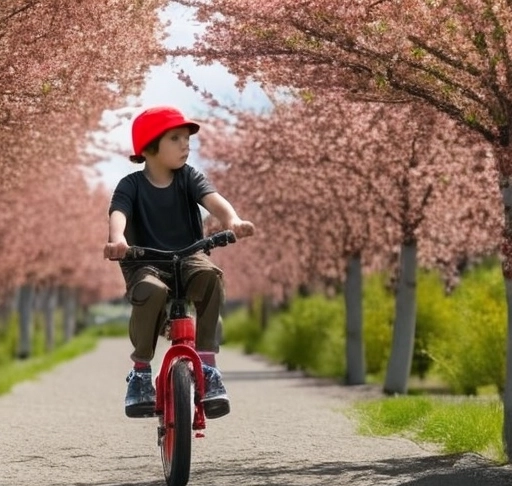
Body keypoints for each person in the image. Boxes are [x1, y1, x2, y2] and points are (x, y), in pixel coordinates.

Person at [103, 106, 254, 419]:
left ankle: (209, 367)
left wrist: (233, 220)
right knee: (149, 290)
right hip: (147, 261)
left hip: (189, 256)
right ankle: (141, 372)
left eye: (187, 139)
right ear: (150, 147)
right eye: (176, 138)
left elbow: (213, 200)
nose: (186, 145)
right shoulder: (130, 186)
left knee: (211, 276)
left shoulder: (189, 178)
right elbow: (118, 214)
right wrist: (118, 240)